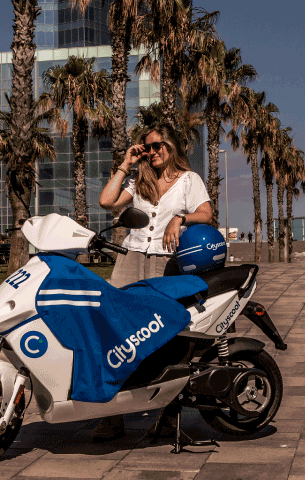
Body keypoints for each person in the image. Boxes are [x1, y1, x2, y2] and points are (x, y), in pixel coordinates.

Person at [93, 123, 212, 441]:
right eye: (147, 146)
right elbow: (107, 201)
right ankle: (112, 416)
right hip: (130, 260)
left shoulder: (189, 180)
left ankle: (167, 412)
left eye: (158, 145)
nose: (153, 151)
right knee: (115, 333)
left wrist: (180, 218)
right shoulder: (138, 181)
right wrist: (126, 163)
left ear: (171, 146)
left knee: (164, 337)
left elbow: (206, 213)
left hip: (167, 263)